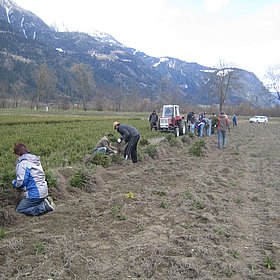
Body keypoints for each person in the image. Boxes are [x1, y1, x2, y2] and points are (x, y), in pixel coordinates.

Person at [12, 142, 54, 216]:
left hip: (35, 194)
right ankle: (44, 201)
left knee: (20, 210)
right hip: (44, 190)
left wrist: (14, 183)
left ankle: (43, 206)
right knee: (30, 202)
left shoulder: (23, 164)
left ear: (18, 154)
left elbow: (21, 182)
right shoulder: (34, 161)